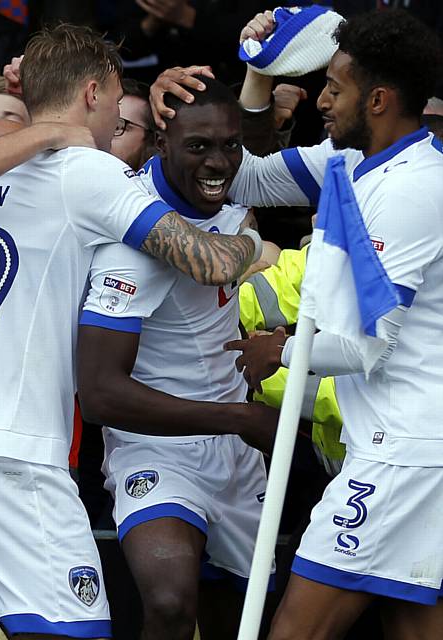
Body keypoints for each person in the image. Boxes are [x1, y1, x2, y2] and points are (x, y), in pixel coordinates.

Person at [152, 7, 443, 639]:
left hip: (401, 457)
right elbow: (241, 179)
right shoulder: (347, 163)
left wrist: (279, 352)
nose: (322, 98)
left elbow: (370, 349)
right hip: (407, 450)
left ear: (381, 99)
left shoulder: (413, 190)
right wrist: (258, 73)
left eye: (336, 87)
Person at [0, 23, 261, 640]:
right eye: (114, 102)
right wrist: (256, 244)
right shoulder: (86, 171)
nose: (117, 119)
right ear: (90, 93)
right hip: (14, 447)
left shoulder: (0, 155)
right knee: (74, 630)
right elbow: (209, 262)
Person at [77, 76, 278, 640]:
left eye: (230, 146)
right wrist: (238, 417)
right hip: (158, 447)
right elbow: (100, 394)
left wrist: (258, 72)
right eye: (199, 147)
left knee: (241, 621)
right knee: (169, 600)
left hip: (239, 455)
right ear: (161, 142)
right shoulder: (133, 237)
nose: (219, 162)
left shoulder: (234, 197)